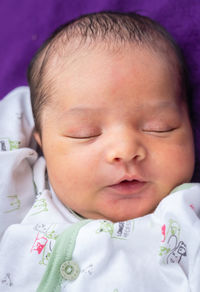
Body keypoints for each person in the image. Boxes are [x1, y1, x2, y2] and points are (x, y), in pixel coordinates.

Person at [0, 11, 199, 292]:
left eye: (159, 127)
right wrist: (42, 98)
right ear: (42, 144)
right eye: (85, 132)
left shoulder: (187, 217)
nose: (125, 150)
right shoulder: (23, 192)